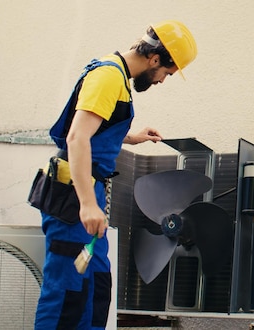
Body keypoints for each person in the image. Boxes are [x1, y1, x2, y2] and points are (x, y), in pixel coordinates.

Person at [34, 20, 197, 329]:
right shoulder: (108, 76)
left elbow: (93, 131)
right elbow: (76, 138)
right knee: (66, 293)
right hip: (74, 197)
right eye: (167, 73)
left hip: (86, 192)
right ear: (155, 59)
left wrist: (129, 137)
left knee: (94, 288)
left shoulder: (118, 77)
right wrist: (87, 204)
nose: (163, 80)